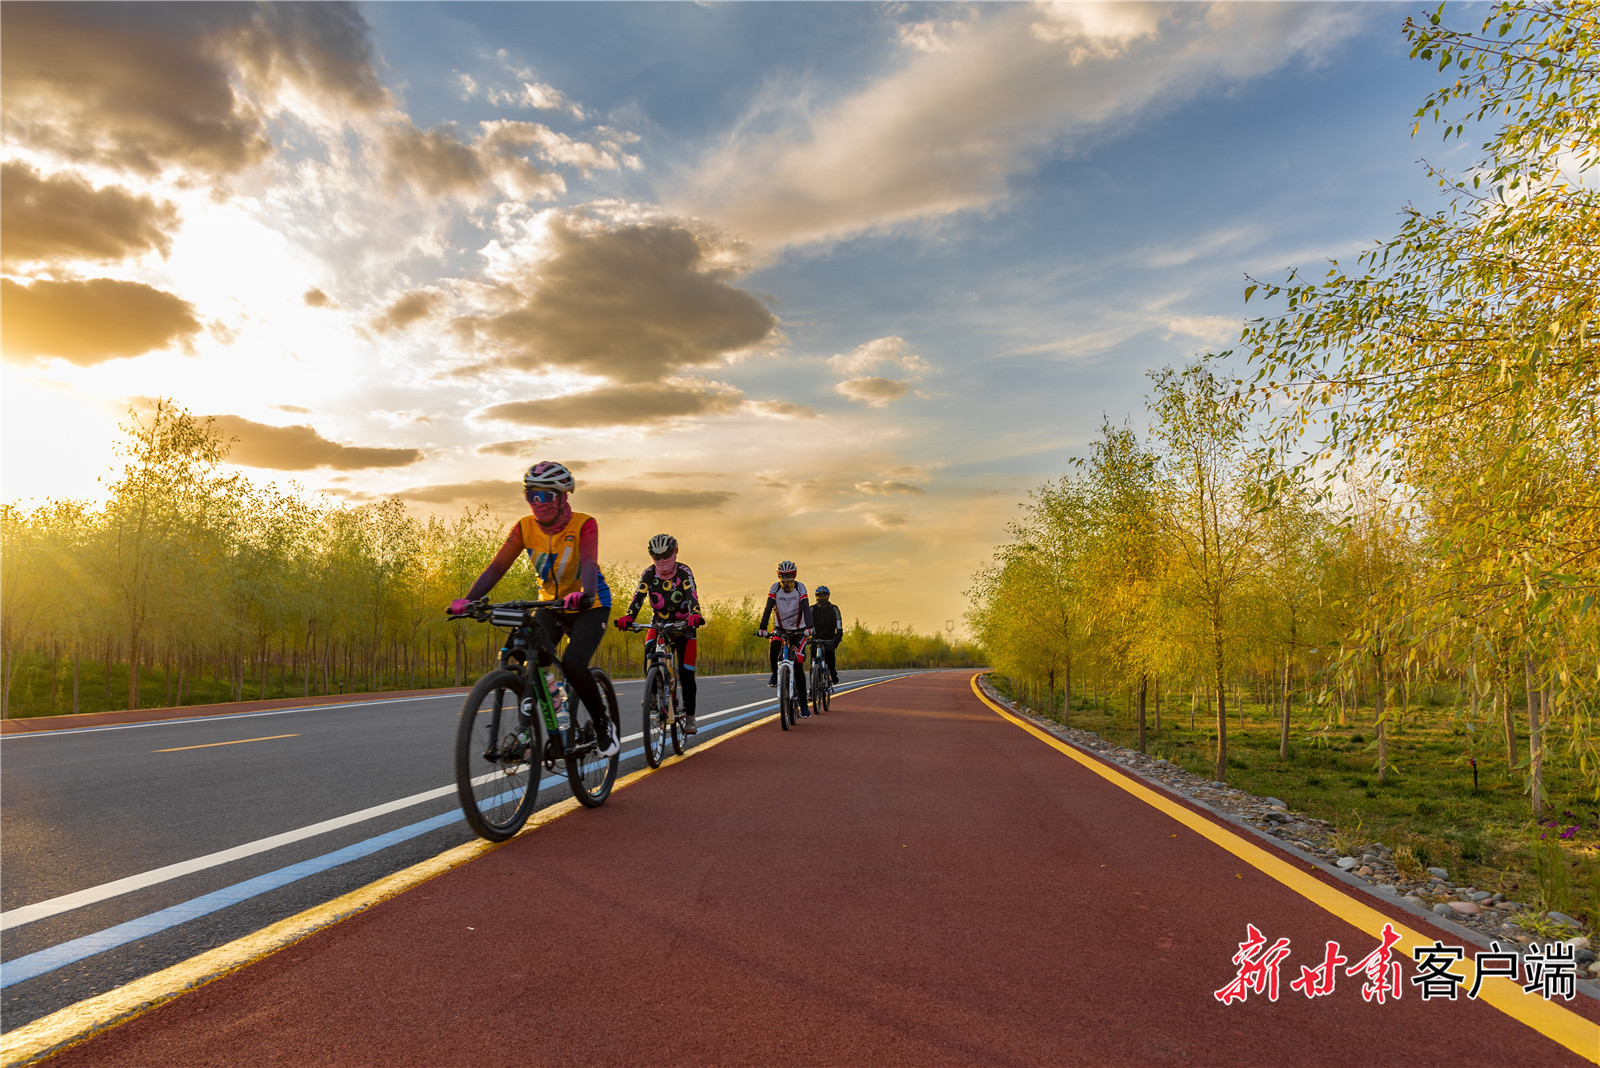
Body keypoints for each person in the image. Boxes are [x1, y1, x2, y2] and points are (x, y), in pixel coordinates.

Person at [447, 461, 618, 757]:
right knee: (529, 658)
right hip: (550, 604)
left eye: (546, 495)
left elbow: (589, 563)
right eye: (531, 495)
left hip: (590, 605)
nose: (538, 503)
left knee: (575, 663)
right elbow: (497, 567)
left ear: (563, 496)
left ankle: (603, 724)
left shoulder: (584, 524)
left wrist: (585, 594)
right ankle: (547, 718)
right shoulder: (524, 528)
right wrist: (468, 600)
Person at [614, 533, 706, 733]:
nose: (662, 561)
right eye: (657, 557)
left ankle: (690, 717)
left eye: (666, 555)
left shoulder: (683, 571)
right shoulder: (648, 574)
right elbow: (638, 597)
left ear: (675, 552)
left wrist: (695, 614)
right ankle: (653, 695)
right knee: (649, 656)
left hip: (685, 627)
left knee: (686, 673)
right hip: (659, 625)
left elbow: (692, 594)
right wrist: (629, 617)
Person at [758, 559, 811, 713]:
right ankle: (775, 674)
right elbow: (768, 608)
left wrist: (809, 627)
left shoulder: (800, 588)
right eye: (782, 576)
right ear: (778, 576)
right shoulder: (774, 588)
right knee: (774, 645)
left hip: (799, 630)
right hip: (780, 628)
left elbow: (806, 609)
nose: (786, 580)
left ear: (794, 576)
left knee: (799, 666)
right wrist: (762, 628)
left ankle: (803, 705)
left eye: (789, 576)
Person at [812, 585, 843, 684]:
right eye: (819, 596)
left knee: (830, 657)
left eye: (824, 596)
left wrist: (838, 636)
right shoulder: (811, 609)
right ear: (816, 597)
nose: (822, 598)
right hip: (815, 639)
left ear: (828, 596)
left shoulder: (834, 609)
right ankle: (813, 686)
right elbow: (807, 623)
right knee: (813, 659)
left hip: (829, 639)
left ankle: (833, 674)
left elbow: (839, 624)